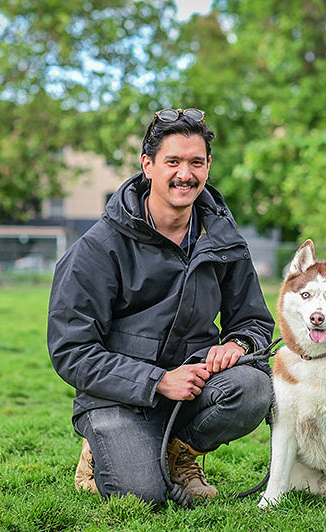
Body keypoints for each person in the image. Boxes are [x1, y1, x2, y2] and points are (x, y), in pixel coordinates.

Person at [47, 108, 274, 506]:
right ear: (148, 166)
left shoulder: (223, 238)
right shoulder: (98, 248)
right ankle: (98, 450)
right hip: (117, 397)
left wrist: (237, 344)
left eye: (195, 162)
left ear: (208, 166)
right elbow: (72, 351)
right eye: (173, 161)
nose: (185, 174)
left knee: (252, 387)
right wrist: (155, 381)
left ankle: (180, 454)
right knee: (143, 496)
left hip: (194, 390)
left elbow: (253, 319)